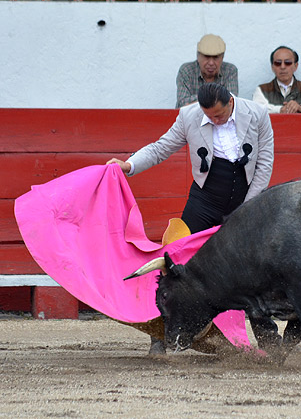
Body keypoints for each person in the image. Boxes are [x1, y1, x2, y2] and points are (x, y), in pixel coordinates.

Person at [107, 82, 274, 354]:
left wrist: (249, 209)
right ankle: (160, 334)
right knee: (175, 261)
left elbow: (265, 163)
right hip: (204, 200)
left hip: (245, 199)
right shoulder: (189, 116)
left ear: (231, 103)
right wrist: (129, 165)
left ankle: (268, 340)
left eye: (219, 116)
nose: (214, 121)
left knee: (253, 267)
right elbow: (162, 147)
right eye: (209, 117)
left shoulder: (257, 114)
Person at [252, 45, 301, 114]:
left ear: (295, 66)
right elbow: (257, 111)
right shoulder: (262, 90)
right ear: (272, 67)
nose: (283, 67)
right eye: (278, 63)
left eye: (288, 62)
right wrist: (279, 110)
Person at [176, 34, 239, 108]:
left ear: (222, 58)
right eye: (207, 57)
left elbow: (230, 102)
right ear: (198, 56)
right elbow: (183, 103)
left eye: (216, 57)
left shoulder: (230, 71)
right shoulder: (186, 71)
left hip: (220, 119)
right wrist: (217, 97)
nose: (211, 63)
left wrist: (197, 101)